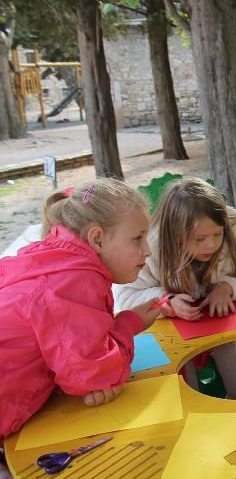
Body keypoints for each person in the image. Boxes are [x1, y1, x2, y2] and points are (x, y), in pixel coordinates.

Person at [0, 179, 161, 440]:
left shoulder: (55, 261)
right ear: (97, 239)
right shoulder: (73, 281)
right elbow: (95, 375)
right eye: (137, 239)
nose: (148, 251)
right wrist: (130, 324)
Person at [115, 178, 236, 399]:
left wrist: (226, 287)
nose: (211, 244)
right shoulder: (151, 249)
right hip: (170, 335)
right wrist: (167, 301)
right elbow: (126, 297)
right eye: (199, 239)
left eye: (217, 234)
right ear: (175, 234)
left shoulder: (230, 232)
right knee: (182, 363)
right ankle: (191, 406)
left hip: (214, 326)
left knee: (225, 345)